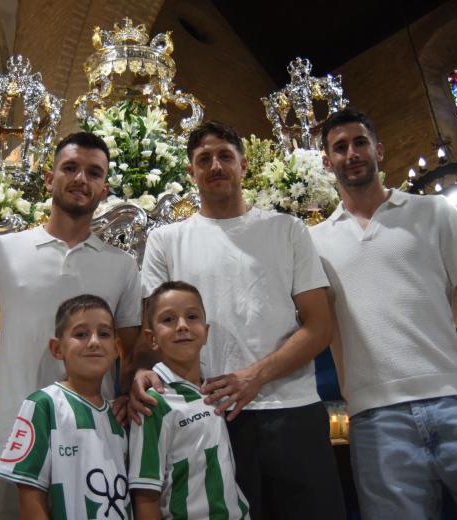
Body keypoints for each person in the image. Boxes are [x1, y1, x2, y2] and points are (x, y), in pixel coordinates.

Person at [310, 108, 457, 518]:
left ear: (378, 150)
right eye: (340, 147)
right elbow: (313, 324)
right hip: (375, 418)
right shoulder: (313, 241)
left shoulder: (433, 211)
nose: (351, 153)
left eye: (360, 142)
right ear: (328, 162)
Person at [132, 120, 345, 519]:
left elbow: (320, 326)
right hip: (207, 412)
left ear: (243, 166)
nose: (215, 165)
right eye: (204, 159)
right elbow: (153, 331)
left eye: (225, 156)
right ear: (191, 172)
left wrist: (256, 376)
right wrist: (142, 371)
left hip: (293, 408)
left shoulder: (287, 229)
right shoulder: (166, 240)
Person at [0, 132, 141, 519]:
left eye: (93, 172)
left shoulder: (121, 265)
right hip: (12, 442)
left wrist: (127, 393)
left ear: (104, 188)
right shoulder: (4, 252)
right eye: (70, 168)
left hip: (93, 447)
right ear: (50, 179)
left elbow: (132, 353)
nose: (81, 178)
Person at [0, 295, 130, 519]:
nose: (94, 341)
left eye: (104, 334)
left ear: (116, 349)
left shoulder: (120, 414)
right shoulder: (43, 405)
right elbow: (30, 494)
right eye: (81, 334)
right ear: (57, 348)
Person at [129, 281, 249, 519]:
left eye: (192, 316)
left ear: (206, 332)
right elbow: (145, 495)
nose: (182, 326)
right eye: (168, 319)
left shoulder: (213, 391)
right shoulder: (154, 402)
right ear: (152, 339)